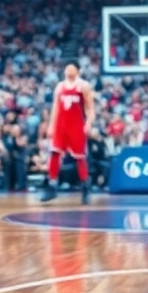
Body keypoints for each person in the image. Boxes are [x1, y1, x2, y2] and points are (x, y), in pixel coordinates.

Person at [41, 63, 94, 204]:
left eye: (72, 68)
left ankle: (85, 188)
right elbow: (56, 107)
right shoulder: (59, 86)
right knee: (55, 153)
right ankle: (52, 186)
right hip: (61, 125)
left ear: (78, 70)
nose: (69, 70)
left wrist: (88, 123)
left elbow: (90, 108)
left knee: (80, 157)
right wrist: (51, 126)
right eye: (67, 68)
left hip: (76, 126)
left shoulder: (83, 85)